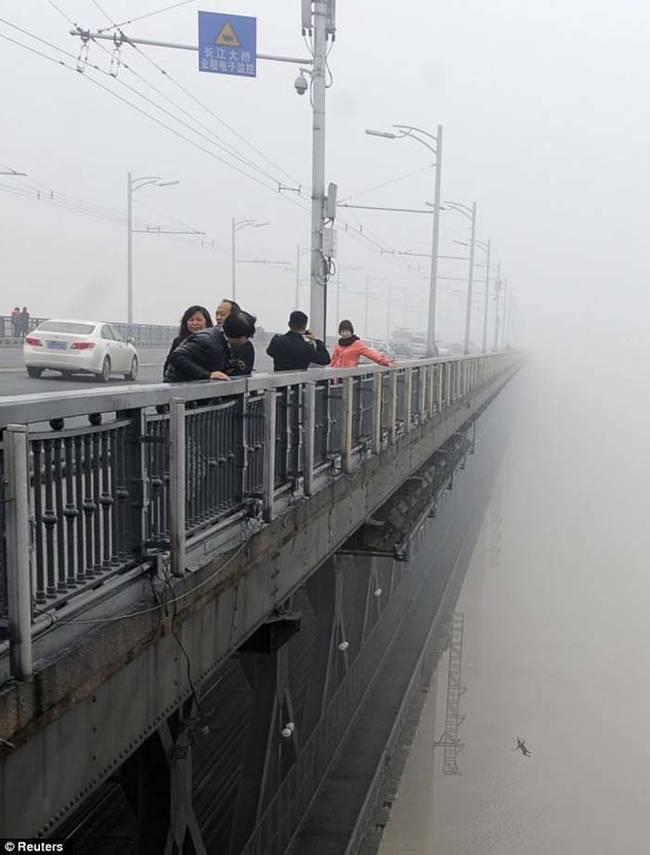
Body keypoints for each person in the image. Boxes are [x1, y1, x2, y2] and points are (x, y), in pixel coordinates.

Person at [164, 312, 255, 383]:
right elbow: (176, 356)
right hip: (179, 390)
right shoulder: (208, 340)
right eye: (247, 337)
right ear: (242, 337)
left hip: (188, 387)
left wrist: (232, 364)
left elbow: (205, 360)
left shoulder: (220, 338)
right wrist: (208, 374)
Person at [266, 310, 331, 372]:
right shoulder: (307, 347)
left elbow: (269, 352)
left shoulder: (277, 340)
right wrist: (317, 340)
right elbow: (325, 359)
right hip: (298, 382)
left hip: (279, 382)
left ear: (289, 324)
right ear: (305, 326)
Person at [163, 305, 213, 379]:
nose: (195, 323)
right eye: (191, 320)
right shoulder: (178, 341)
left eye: (199, 320)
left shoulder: (213, 342)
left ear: (207, 322)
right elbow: (169, 364)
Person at [216, 298, 255, 376]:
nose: (218, 318)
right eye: (217, 314)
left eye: (223, 314)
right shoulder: (211, 338)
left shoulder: (245, 345)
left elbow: (244, 372)